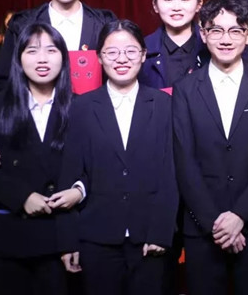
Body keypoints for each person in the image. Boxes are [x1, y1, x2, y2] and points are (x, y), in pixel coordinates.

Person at [173, 0, 248, 295]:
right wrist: (216, 223)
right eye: (216, 30)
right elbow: (184, 160)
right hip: (202, 228)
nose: (225, 39)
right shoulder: (185, 89)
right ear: (203, 34)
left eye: (235, 30)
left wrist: (240, 216)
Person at [57, 20, 178, 295]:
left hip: (149, 236)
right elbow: (70, 173)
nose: (121, 59)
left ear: (143, 55)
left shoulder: (165, 105)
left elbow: (170, 173)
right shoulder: (81, 107)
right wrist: (68, 240)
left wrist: (160, 232)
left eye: (131, 51)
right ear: (99, 57)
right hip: (96, 237)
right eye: (111, 52)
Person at [0, 23, 77, 295]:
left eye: (51, 50)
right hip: (5, 240)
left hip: (57, 241)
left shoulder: (79, 107)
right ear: (18, 58)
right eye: (32, 50)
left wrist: (77, 193)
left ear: (63, 57)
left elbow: (91, 169)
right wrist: (22, 196)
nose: (42, 59)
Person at [139, 0, 209, 90]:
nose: (176, 7)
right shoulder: (142, 51)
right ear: (155, 6)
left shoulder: (212, 46)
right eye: (168, 0)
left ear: (199, 4)